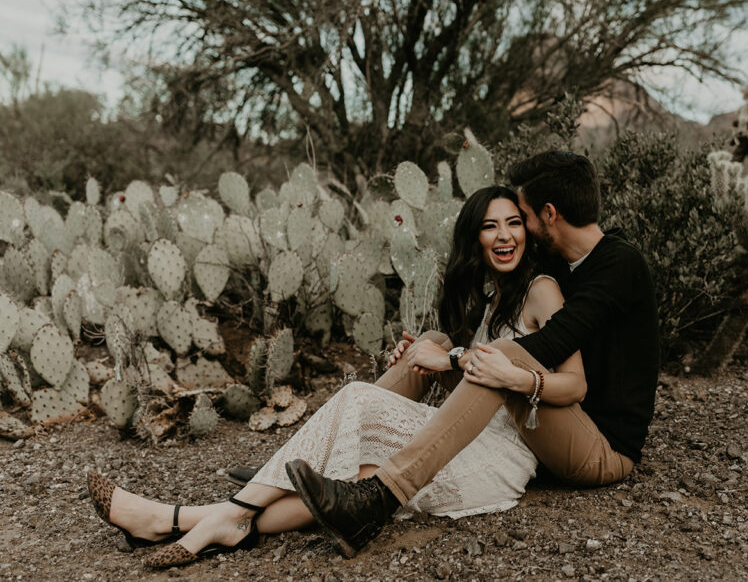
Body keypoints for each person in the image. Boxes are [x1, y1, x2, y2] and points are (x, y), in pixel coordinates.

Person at [86, 186, 586, 569]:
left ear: (528, 229)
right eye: (490, 226)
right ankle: (213, 522)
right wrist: (432, 354)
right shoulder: (491, 297)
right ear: (473, 239)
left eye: (514, 223)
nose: (505, 235)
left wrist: (461, 363)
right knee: (359, 475)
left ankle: (179, 518)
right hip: (457, 434)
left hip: (501, 455)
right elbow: (476, 380)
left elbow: (575, 386)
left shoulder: (542, 291)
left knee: (358, 406)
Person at [286, 151, 660, 559]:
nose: (521, 229)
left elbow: (542, 347)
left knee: (496, 357)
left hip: (601, 448)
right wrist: (436, 348)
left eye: (524, 216)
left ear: (549, 214)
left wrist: (452, 359)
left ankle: (378, 498)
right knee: (434, 340)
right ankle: (319, 463)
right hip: (554, 423)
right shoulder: (561, 261)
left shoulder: (619, 265)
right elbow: (499, 321)